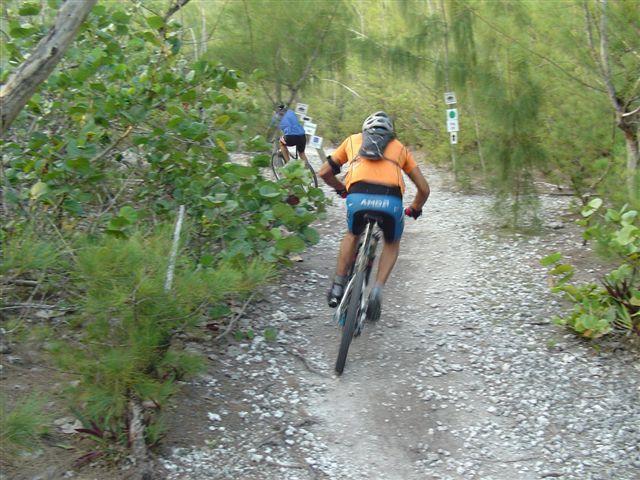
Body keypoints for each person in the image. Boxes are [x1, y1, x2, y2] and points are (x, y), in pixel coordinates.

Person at [318, 111, 430, 321]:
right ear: (391, 133)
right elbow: (424, 188)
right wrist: (414, 208)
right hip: (390, 201)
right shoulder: (400, 148)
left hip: (358, 197)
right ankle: (377, 291)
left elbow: (324, 172)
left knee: (352, 234)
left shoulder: (352, 140)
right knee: (391, 241)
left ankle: (338, 285)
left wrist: (342, 190)